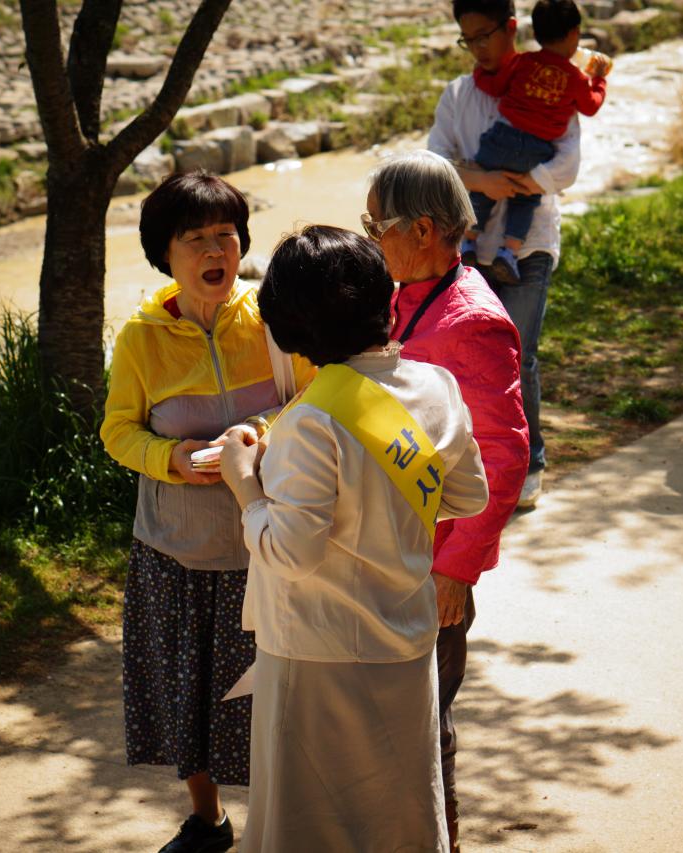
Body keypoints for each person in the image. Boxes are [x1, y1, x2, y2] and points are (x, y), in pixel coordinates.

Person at [217, 225, 490, 853]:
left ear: (291, 327)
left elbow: (290, 551)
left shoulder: (311, 422)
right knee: (398, 810)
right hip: (405, 637)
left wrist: (243, 483)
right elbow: (469, 495)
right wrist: (390, 508)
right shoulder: (436, 387)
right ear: (383, 299)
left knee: (310, 820)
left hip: (316, 650)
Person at [100, 171, 315, 853]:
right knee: (186, 697)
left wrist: (262, 433)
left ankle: (281, 827)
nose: (215, 249)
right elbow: (117, 432)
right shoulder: (141, 338)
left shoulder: (274, 320)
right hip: (175, 553)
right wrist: (173, 457)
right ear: (164, 253)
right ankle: (209, 821)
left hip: (266, 548)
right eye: (195, 238)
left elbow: (314, 401)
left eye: (226, 233)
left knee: (278, 699)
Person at [365, 150, 527, 852]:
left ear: (424, 230)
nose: (370, 238)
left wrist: (456, 570)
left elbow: (504, 457)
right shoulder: (403, 293)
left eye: (376, 225)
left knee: (427, 733)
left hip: (432, 567)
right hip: (389, 552)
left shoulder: (473, 322)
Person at [431, 0, 582, 509]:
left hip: (529, 244)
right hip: (468, 249)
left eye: (484, 36)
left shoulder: (549, 83)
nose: (477, 49)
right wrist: (483, 181)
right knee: (468, 359)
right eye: (467, 39)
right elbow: (434, 163)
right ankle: (481, 465)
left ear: (512, 28)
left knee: (520, 355)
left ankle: (530, 461)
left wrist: (513, 183)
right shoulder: (458, 95)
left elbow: (568, 166)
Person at [463, 0, 608, 285]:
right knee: (526, 199)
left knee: (481, 191)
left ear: (536, 33)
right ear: (574, 34)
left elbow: (495, 86)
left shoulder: (523, 62)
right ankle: (509, 252)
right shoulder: (577, 78)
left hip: (502, 138)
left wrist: (478, 72)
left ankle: (468, 243)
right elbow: (591, 106)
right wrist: (599, 81)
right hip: (536, 150)